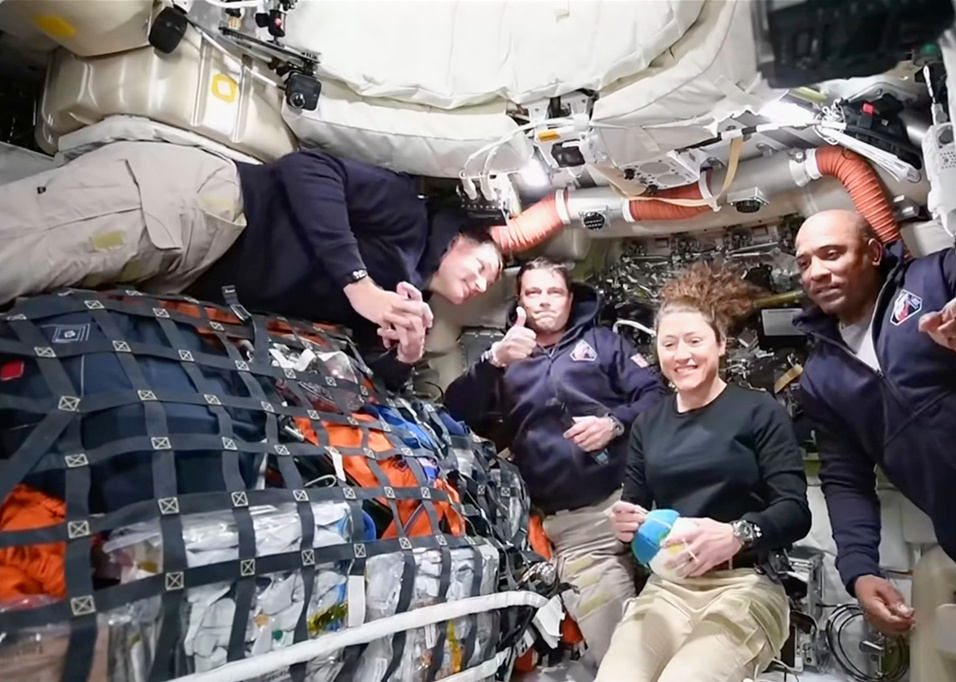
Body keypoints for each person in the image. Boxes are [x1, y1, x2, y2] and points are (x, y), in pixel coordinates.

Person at [0, 141, 503, 388]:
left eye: (488, 285)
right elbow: (308, 168)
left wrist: (406, 353)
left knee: (32, 299)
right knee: (22, 251)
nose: (480, 283)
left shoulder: (407, 298)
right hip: (204, 209)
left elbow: (363, 376)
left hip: (190, 283)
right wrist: (357, 283)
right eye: (485, 264)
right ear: (459, 236)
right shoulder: (407, 213)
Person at [794, 209, 956, 682]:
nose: (816, 271)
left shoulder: (938, 277)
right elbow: (845, 478)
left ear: (874, 253)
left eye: (831, 253)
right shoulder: (821, 376)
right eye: (804, 263)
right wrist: (859, 570)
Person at [444, 257, 664, 668]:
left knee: (688, 610)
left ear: (570, 299)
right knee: (621, 654)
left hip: (639, 497)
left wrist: (614, 424)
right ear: (520, 301)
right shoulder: (506, 358)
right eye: (534, 292)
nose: (545, 302)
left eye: (554, 292)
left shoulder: (603, 343)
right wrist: (494, 359)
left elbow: (654, 397)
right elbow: (452, 412)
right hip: (580, 528)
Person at [599, 262, 811, 682]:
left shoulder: (758, 411)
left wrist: (737, 533)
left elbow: (795, 512)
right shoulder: (648, 425)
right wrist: (625, 523)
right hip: (668, 589)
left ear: (721, 345)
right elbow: (636, 511)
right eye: (669, 344)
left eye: (694, 341)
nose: (682, 355)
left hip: (744, 585)